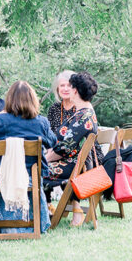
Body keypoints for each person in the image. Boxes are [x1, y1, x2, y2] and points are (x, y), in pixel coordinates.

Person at [0, 80, 58, 233]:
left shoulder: (1, 120)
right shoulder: (41, 122)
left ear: (9, 100)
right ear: (33, 100)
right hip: (31, 177)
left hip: (0, 177)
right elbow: (53, 141)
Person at [45, 71, 100, 227]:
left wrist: (43, 159)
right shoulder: (83, 112)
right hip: (73, 163)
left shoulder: (83, 116)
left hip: (74, 166)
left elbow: (64, 149)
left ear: (76, 91)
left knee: (33, 170)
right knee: (34, 167)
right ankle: (43, 212)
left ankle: (39, 215)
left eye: (71, 86)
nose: (68, 89)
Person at [46, 70, 75, 135]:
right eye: (62, 85)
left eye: (69, 85)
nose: (65, 89)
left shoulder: (81, 108)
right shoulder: (54, 108)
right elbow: (49, 134)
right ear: (57, 88)